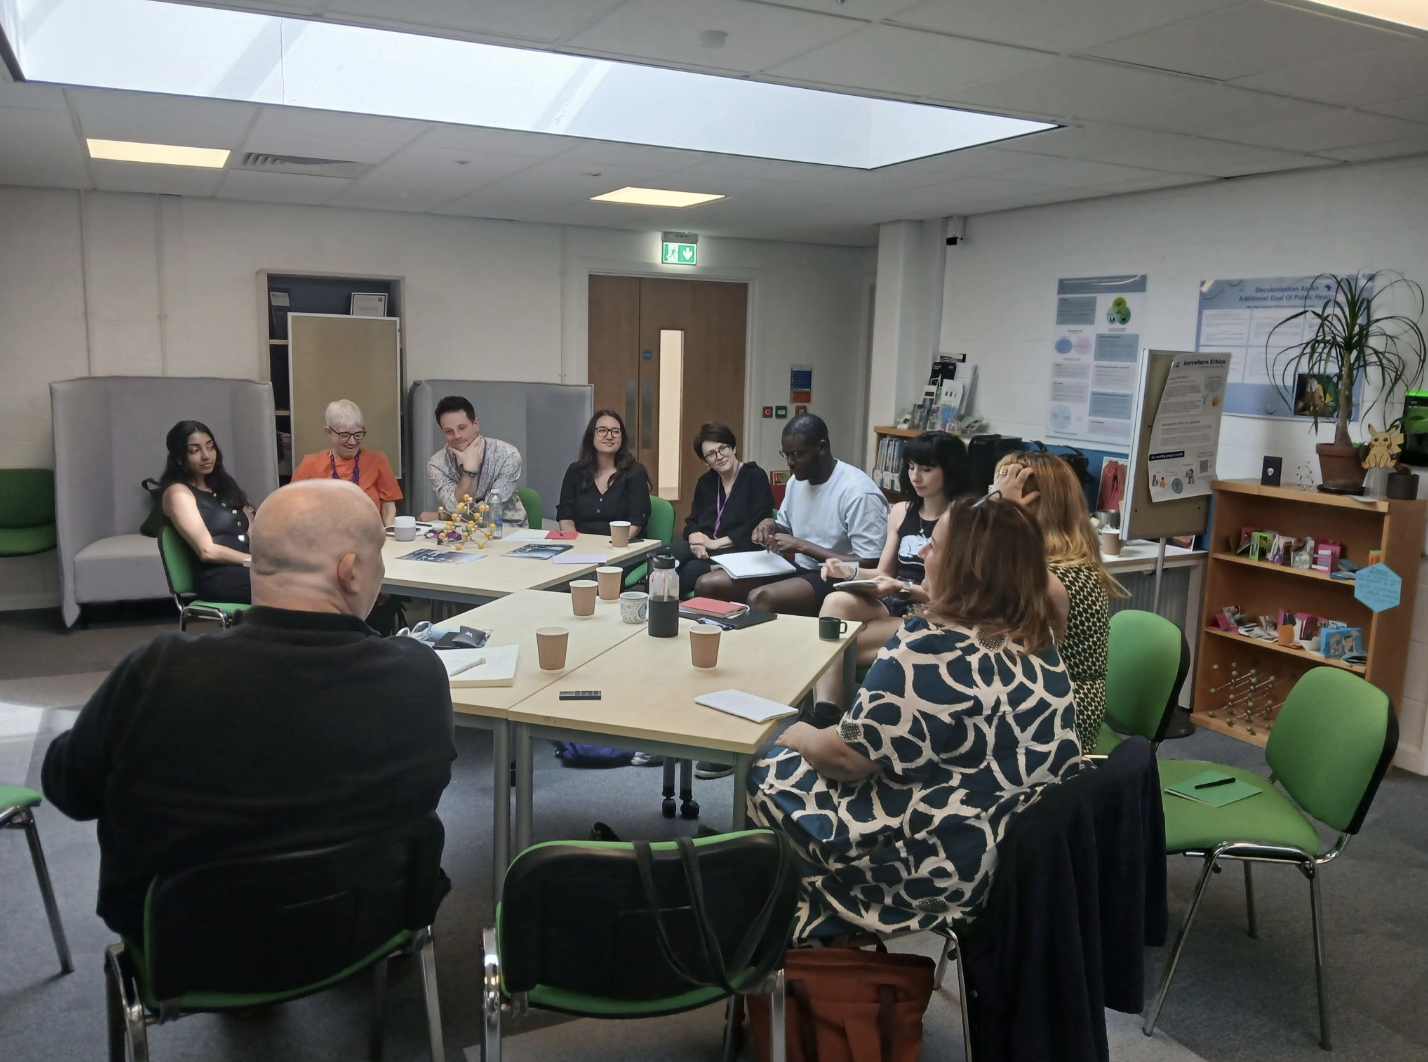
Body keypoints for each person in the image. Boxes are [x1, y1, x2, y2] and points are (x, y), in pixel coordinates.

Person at [41, 480, 456, 940]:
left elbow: (70, 791)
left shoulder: (160, 674)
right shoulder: (417, 674)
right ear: (351, 572)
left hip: (189, 941)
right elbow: (422, 793)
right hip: (365, 920)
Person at [748, 494, 1084, 938]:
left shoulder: (932, 647)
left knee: (760, 773)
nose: (922, 552)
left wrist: (790, 730)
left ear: (969, 568)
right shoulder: (1038, 638)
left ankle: (766, 923)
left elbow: (846, 760)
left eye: (936, 546)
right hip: (1010, 857)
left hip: (932, 870)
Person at [811, 431, 971, 705]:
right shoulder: (901, 511)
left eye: (926, 468)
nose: (915, 476)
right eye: (910, 467)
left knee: (831, 646)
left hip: (930, 610)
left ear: (950, 470)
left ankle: (827, 714)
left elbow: (952, 596)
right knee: (835, 602)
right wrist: (847, 571)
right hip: (892, 600)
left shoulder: (960, 518)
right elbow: (883, 574)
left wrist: (903, 587)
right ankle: (826, 712)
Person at [995, 449, 1127, 750]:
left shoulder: (1050, 577)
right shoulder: (1056, 562)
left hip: (1059, 719)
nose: (992, 497)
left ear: (1029, 506)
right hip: (1043, 700)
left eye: (999, 493)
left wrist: (1001, 515)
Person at [693, 413, 887, 617]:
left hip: (838, 577)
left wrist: (801, 546)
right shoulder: (797, 481)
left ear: (821, 448)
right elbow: (785, 526)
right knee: (708, 584)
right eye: (785, 455)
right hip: (799, 569)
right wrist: (769, 524)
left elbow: (870, 562)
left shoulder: (858, 493)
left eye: (796, 454)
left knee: (762, 597)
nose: (790, 462)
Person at [157, 419, 255, 604]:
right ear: (179, 458)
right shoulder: (178, 493)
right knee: (297, 588)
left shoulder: (225, 487)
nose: (206, 456)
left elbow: (251, 534)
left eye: (210, 447)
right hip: (219, 577)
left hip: (249, 569)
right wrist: (254, 561)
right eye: (195, 450)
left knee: (311, 578)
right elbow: (206, 551)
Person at [675, 423, 776, 596]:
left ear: (734, 447)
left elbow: (756, 526)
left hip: (741, 550)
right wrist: (695, 540)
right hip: (707, 548)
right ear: (705, 460)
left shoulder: (755, 476)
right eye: (711, 454)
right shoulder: (706, 482)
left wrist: (714, 543)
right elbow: (692, 520)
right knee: (661, 559)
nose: (719, 456)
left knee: (685, 573)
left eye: (723, 448)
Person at [292, 399, 402, 527]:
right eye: (344, 435)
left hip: (369, 539)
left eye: (358, 434)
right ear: (328, 432)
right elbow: (293, 510)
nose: (352, 442)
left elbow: (388, 508)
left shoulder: (377, 460)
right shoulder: (309, 465)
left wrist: (387, 538)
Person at [421, 395, 527, 528]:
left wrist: (442, 515)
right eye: (449, 431)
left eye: (462, 428)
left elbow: (490, 514)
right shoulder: (437, 464)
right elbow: (456, 508)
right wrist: (469, 472)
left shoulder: (508, 455)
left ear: (475, 424)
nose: (457, 436)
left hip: (508, 528)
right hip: (460, 530)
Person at [557, 409, 651, 536]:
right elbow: (566, 517)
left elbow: (636, 522)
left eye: (615, 431)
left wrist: (609, 548)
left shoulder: (635, 473)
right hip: (581, 546)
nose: (609, 436)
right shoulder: (575, 471)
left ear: (622, 438)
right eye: (602, 430)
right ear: (592, 436)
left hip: (621, 546)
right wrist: (578, 545)